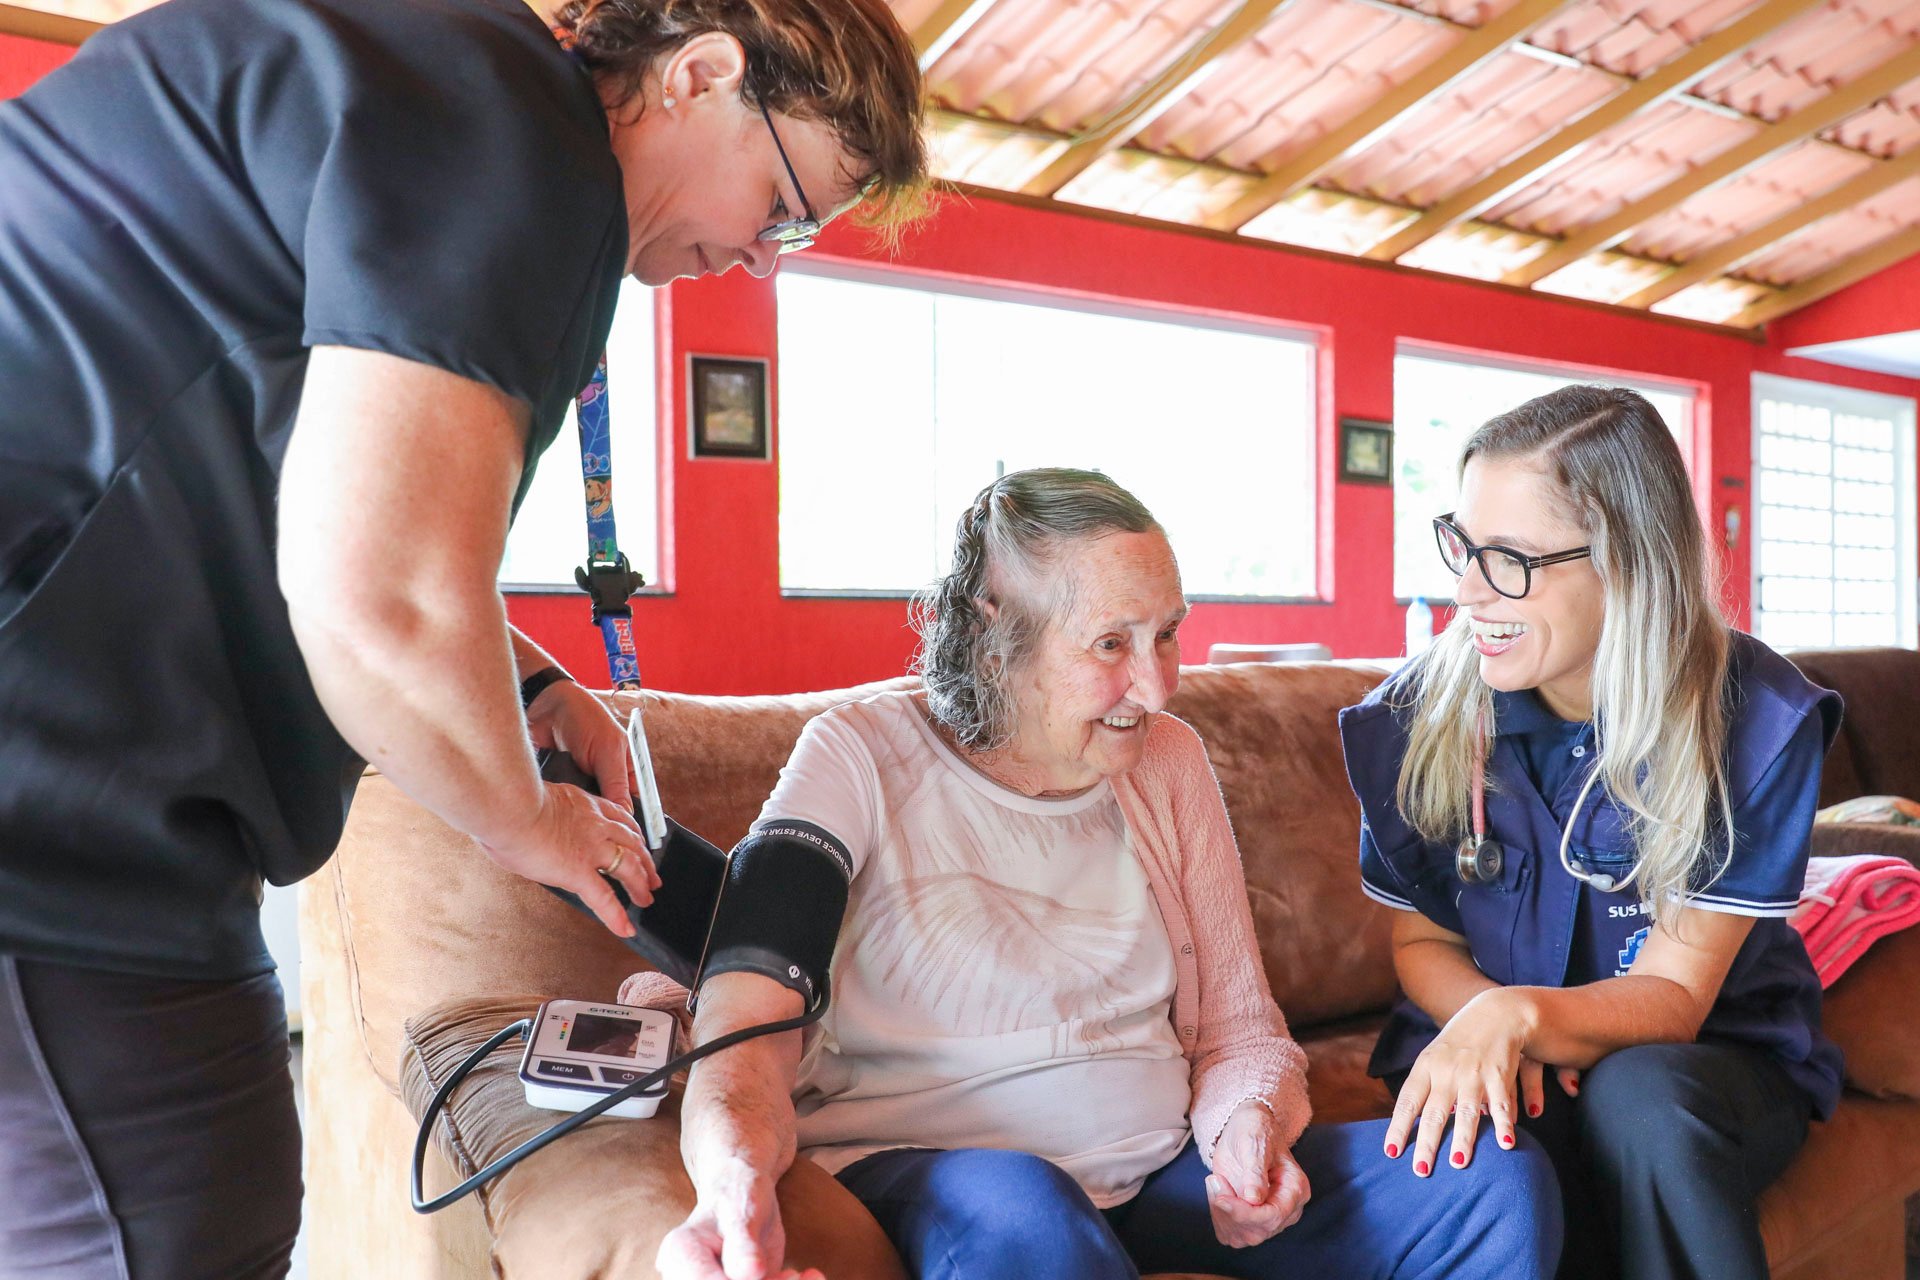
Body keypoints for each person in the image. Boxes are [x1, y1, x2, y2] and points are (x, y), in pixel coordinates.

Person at [0, 0, 926, 1273]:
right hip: (53, 795)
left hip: (76, 748)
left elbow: (303, 493)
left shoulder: (430, 83)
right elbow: (377, 598)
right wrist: (524, 820)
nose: (762, 258)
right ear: (703, 74)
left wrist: (526, 679)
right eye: (780, 205)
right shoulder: (522, 140)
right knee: (169, 1225)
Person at [658, 469, 1562, 1280]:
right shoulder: (854, 755)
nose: (1157, 686)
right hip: (951, 1185)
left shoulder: (1166, 759)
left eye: (1166, 635)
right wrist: (732, 1181)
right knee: (1031, 1216)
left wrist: (1243, 1134)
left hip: (1166, 1175)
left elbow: (1241, 1029)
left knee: (1493, 1180)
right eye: (1109, 646)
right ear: (993, 629)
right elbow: (746, 1012)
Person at [1339, 385, 1843, 1280]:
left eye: (1511, 560)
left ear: (1628, 561)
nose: (1467, 592)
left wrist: (1522, 1013)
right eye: (1464, 546)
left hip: (1706, 1064)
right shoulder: (1417, 718)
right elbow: (1420, 937)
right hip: (1483, 1036)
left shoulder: (1755, 720)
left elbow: (1673, 1000)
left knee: (1640, 1100)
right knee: (1502, 1133)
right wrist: (1493, 1030)